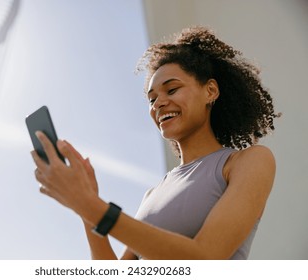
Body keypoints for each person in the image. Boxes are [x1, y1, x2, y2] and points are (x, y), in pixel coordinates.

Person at [31, 26, 280, 259]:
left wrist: (90, 205)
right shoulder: (153, 193)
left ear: (210, 91)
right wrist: (86, 209)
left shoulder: (249, 161)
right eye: (152, 99)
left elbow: (204, 257)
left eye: (171, 90)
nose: (158, 103)